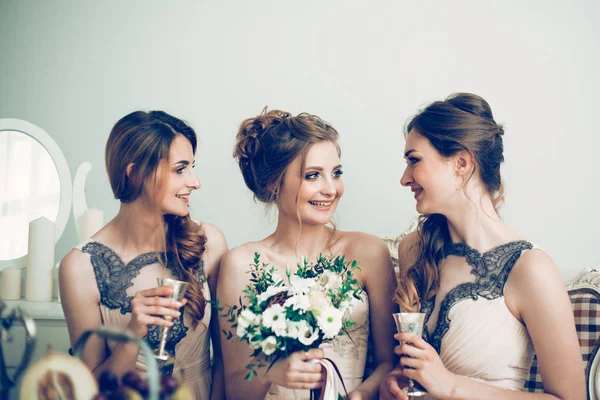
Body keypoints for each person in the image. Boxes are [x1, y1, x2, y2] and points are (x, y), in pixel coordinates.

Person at [379, 93, 585, 400]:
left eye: (414, 160)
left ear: (461, 163)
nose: (404, 178)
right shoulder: (415, 250)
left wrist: (450, 385)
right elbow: (410, 371)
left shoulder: (529, 268)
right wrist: (394, 381)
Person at [218, 108, 397, 399]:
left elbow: (389, 362)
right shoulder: (240, 265)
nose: (331, 189)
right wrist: (271, 371)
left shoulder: (368, 253)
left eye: (336, 173)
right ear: (272, 183)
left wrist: (360, 395)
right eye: (313, 176)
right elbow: (236, 391)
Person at [59, 110, 228, 399]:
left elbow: (225, 360)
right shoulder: (80, 268)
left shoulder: (209, 242)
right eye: (180, 169)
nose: (195, 182)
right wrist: (132, 333)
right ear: (135, 173)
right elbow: (91, 389)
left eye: (192, 167)